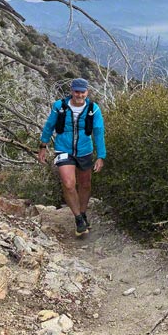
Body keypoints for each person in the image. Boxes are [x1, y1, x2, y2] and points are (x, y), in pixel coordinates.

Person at [38, 78, 105, 236]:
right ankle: (78, 219)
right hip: (63, 148)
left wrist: (101, 156)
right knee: (68, 184)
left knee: (85, 184)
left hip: (84, 150)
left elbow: (99, 133)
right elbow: (49, 126)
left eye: (82, 92)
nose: (79, 95)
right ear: (71, 91)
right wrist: (42, 146)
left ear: (87, 92)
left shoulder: (93, 109)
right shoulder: (59, 107)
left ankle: (82, 213)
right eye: (76, 91)